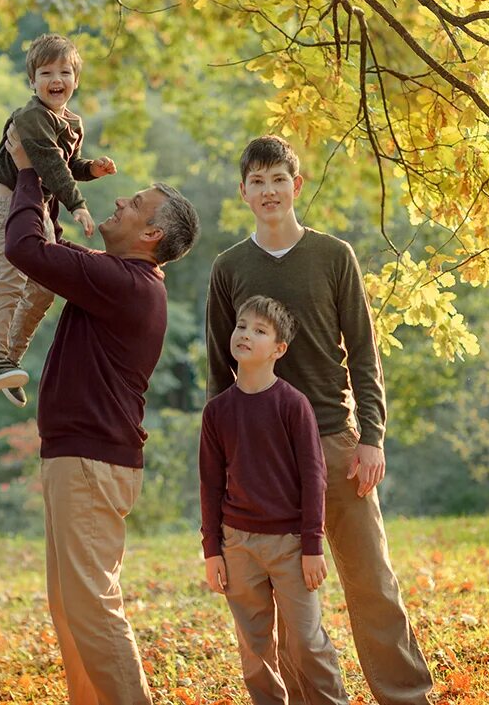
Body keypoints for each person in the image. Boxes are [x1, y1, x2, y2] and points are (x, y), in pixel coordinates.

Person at [206, 136, 435, 705]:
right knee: (288, 603)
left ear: (296, 185)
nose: (268, 191)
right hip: (263, 460)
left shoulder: (334, 257)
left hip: (334, 441)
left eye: (278, 179)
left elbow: (363, 351)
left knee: (371, 582)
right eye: (256, 182)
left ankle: (406, 695)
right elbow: (219, 370)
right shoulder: (228, 267)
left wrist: (372, 437)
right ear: (243, 192)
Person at [2, 124, 199, 704]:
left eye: (134, 204)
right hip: (77, 460)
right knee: (72, 609)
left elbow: (24, 249)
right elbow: (48, 248)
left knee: (92, 609)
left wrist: (29, 168)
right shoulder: (117, 280)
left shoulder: (125, 284)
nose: (120, 200)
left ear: (151, 234)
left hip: (90, 463)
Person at [200, 295, 349, 705]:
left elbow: (313, 477)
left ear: (279, 349)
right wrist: (213, 550)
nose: (246, 334)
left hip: (290, 545)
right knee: (254, 649)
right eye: (242, 326)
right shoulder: (217, 412)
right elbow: (210, 484)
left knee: (306, 641)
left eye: (260, 330)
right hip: (238, 545)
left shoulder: (293, 405)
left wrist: (313, 545)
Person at [0, 33, 117, 407]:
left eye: (65, 71)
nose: (56, 80)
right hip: (8, 208)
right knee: (9, 279)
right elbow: (51, 165)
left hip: (39, 212)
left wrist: (91, 169)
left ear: (76, 79)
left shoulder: (71, 120)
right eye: (46, 72)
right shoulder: (30, 118)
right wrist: (79, 205)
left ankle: (10, 360)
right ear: (32, 81)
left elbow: (68, 165)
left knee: (44, 287)